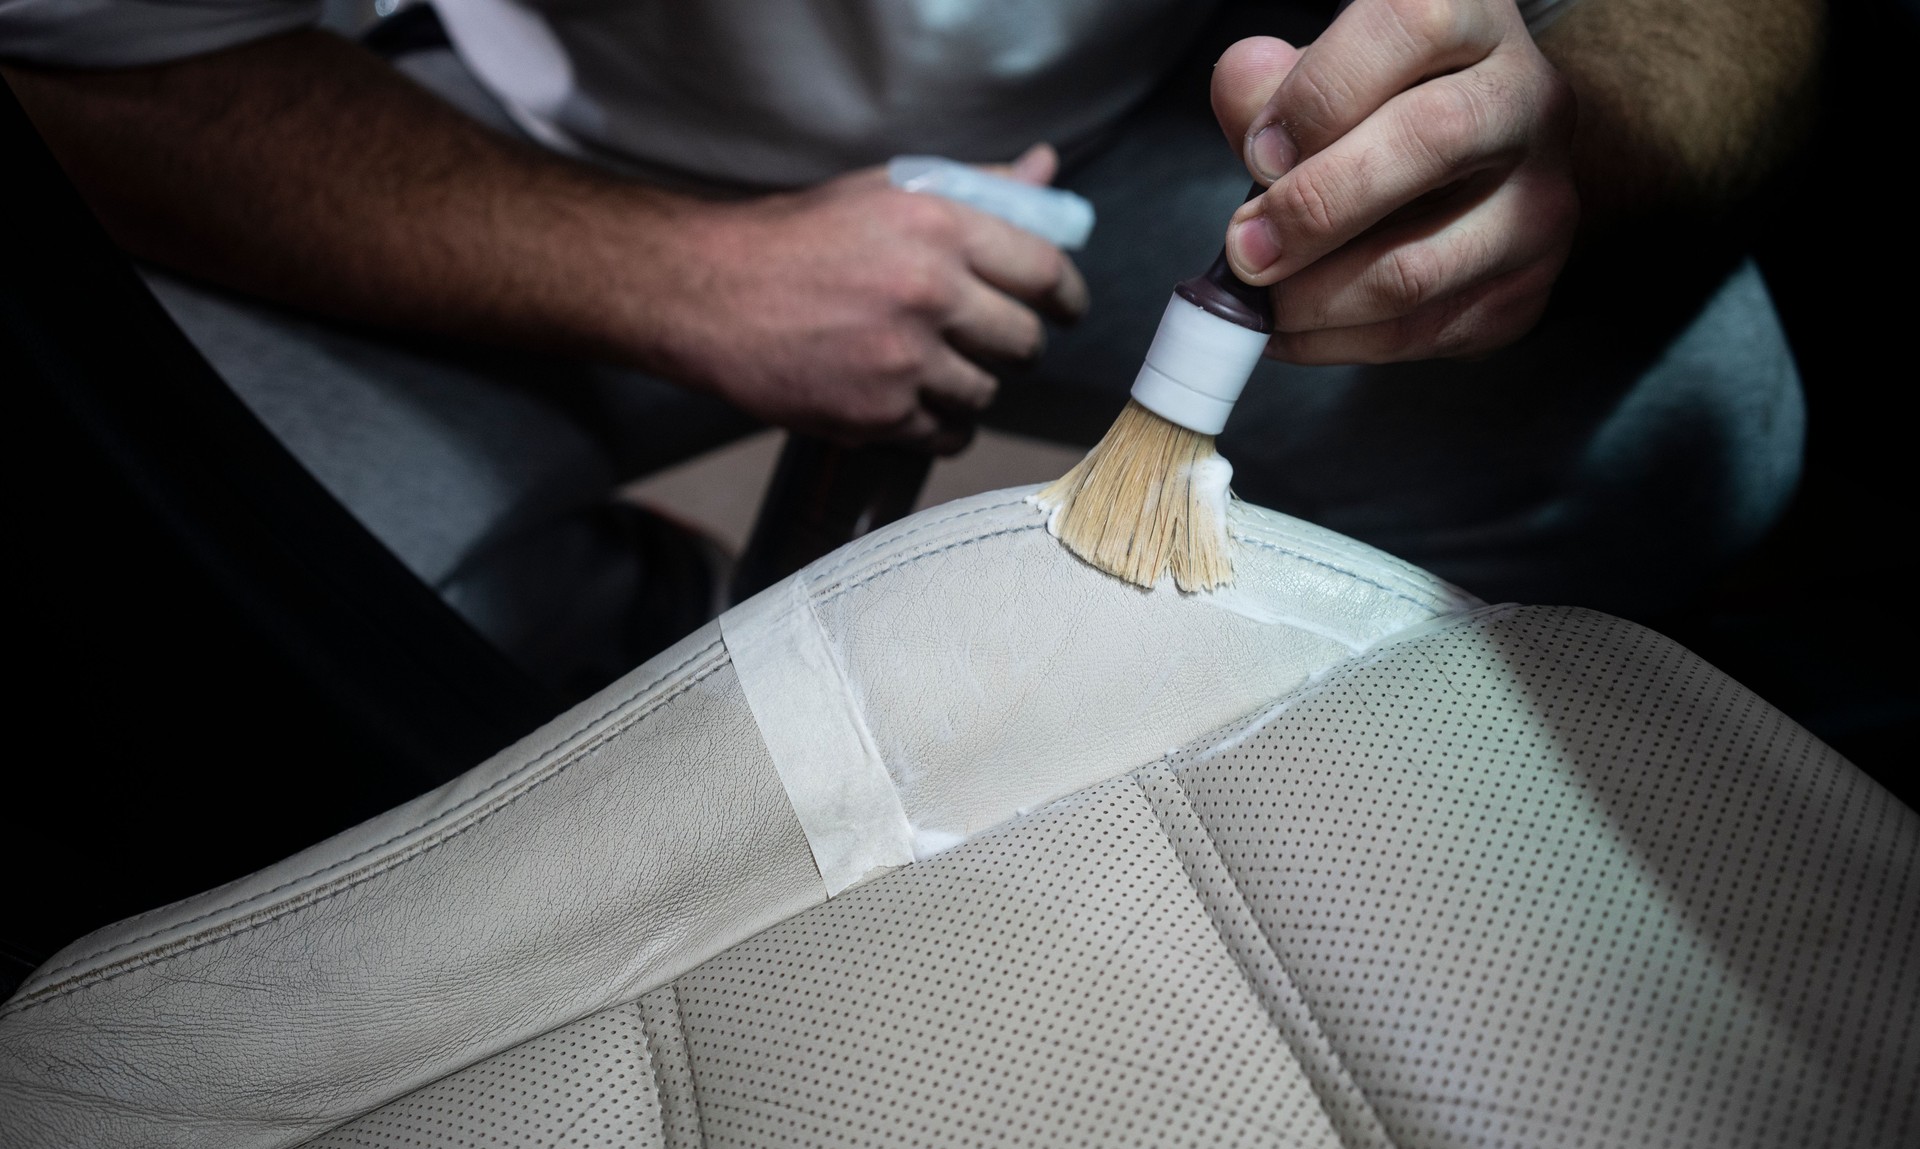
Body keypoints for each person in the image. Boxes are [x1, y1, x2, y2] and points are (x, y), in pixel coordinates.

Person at [0, 0, 1820, 694]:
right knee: (200, 617)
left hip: (1142, 134)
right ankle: (609, 628)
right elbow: (78, 65)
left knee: (1690, 423)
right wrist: (680, 277)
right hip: (513, 143)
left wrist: (1558, 130)